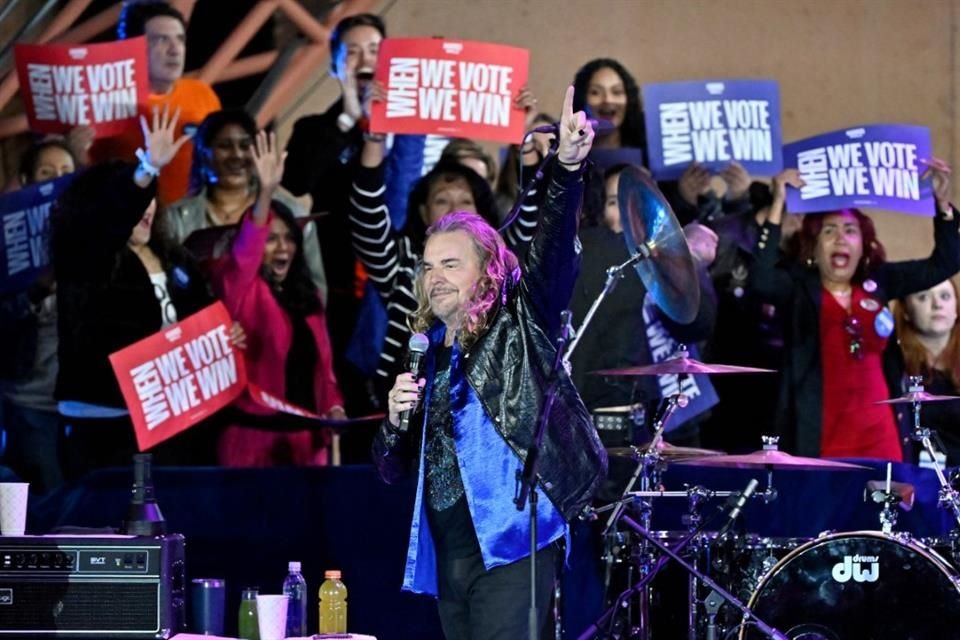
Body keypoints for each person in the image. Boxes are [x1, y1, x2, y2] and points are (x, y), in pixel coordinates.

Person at [372, 87, 608, 639]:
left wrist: (566, 172)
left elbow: (551, 252)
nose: (435, 278)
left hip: (511, 540)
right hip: (449, 548)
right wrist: (393, 420)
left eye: (451, 264)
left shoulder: (520, 323)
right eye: (429, 267)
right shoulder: (425, 350)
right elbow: (389, 467)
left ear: (487, 273)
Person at [53, 106, 222, 479]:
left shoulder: (175, 257)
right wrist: (147, 170)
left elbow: (201, 315)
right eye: (136, 196)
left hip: (167, 420)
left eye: (150, 197)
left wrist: (223, 335)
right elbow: (115, 217)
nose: (145, 208)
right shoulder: (88, 256)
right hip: (104, 425)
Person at [749, 162, 958, 459]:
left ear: (863, 246)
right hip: (818, 438)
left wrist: (942, 204)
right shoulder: (798, 288)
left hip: (881, 437)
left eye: (850, 231)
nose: (840, 239)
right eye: (829, 231)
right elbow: (761, 279)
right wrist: (778, 204)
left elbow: (946, 263)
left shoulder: (880, 281)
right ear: (813, 248)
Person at [211, 131, 345, 467]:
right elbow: (246, 253)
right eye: (271, 240)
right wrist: (266, 191)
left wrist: (334, 406)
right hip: (251, 445)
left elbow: (325, 371)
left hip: (306, 445)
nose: (282, 247)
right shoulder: (242, 288)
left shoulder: (308, 297)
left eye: (289, 239)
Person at [570, 164, 719, 449]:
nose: (631, 216)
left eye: (641, 205)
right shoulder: (591, 263)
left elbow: (698, 324)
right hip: (607, 431)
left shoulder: (670, 262)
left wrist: (689, 264)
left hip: (675, 421)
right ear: (599, 210)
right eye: (617, 203)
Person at [165, 109, 327, 303]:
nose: (237, 155)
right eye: (224, 146)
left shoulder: (293, 215)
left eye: (245, 145)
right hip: (210, 328)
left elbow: (315, 293)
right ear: (204, 153)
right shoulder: (175, 218)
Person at [571, 58, 753, 227]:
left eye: (617, 92)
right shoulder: (569, 155)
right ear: (581, 99)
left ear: (630, 99)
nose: (608, 100)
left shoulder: (658, 151)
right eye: (595, 92)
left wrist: (685, 197)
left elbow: (693, 228)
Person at [0, 140, 78, 493]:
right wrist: (38, 287)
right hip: (29, 403)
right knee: (43, 508)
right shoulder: (6, 240)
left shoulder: (92, 237)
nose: (57, 181)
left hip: (80, 406)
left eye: (66, 173)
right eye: (47, 173)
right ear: (26, 180)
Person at [88, 1, 221, 205]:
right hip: (128, 217)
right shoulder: (107, 101)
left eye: (180, 39)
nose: (175, 50)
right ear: (133, 47)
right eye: (162, 40)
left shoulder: (202, 94)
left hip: (190, 222)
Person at [888, 277, 960, 464]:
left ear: (956, 310)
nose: (937, 305)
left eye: (945, 296)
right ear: (906, 312)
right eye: (923, 297)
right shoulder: (893, 366)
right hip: (912, 479)